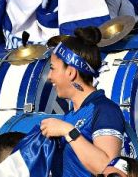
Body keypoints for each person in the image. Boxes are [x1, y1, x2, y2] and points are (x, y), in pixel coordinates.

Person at [37, 27, 126, 176]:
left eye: (52, 69)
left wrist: (67, 131)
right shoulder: (72, 115)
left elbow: (108, 169)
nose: (49, 77)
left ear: (71, 72)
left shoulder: (104, 110)